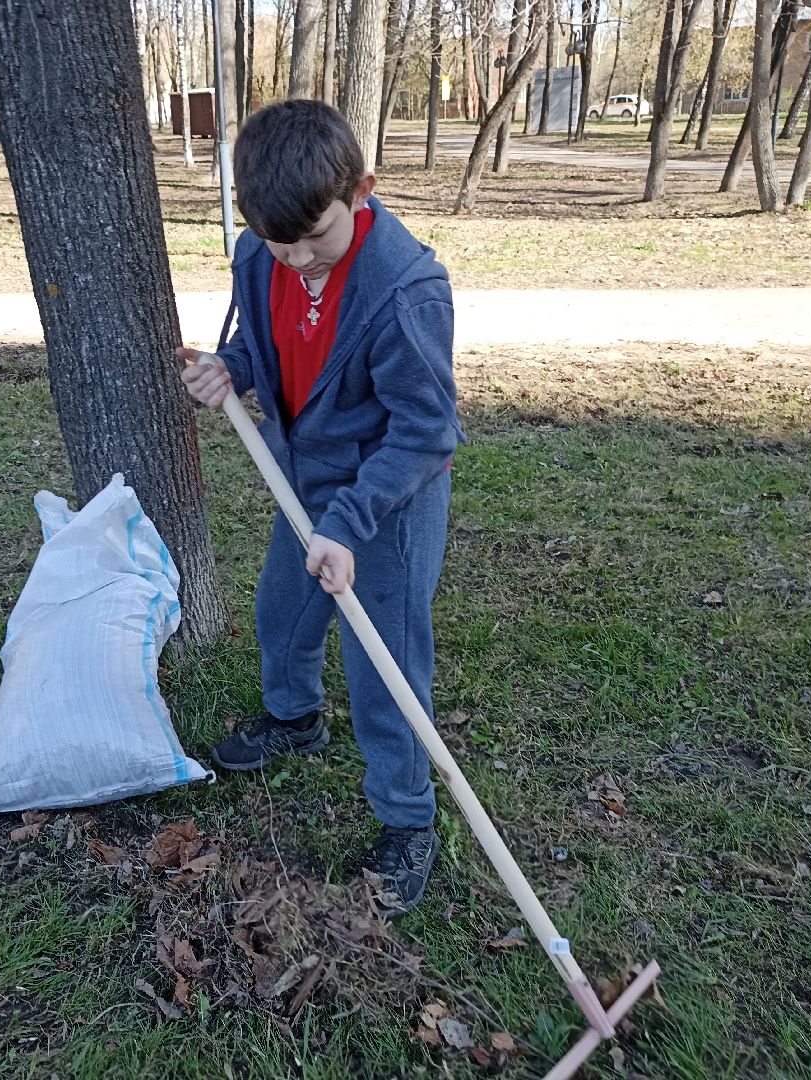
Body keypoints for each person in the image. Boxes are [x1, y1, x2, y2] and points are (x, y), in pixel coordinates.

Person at [178, 100, 462, 919]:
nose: (299, 258)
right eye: (279, 241)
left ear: (362, 191)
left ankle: (408, 821)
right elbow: (258, 347)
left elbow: (425, 433)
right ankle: (294, 719)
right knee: (283, 614)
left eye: (316, 238)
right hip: (302, 476)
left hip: (388, 497)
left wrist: (348, 523)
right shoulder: (258, 257)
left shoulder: (406, 290)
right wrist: (227, 372)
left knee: (385, 667)